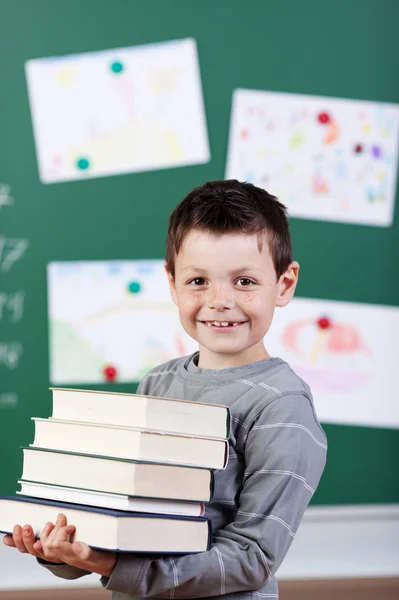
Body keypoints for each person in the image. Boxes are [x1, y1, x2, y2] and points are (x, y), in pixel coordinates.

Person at [3, 179, 327, 599]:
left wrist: (113, 565)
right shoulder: (157, 384)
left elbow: (253, 558)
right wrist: (62, 551)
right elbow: (123, 523)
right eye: (198, 281)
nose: (220, 300)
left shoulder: (283, 406)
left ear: (284, 284)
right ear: (172, 282)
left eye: (245, 282)